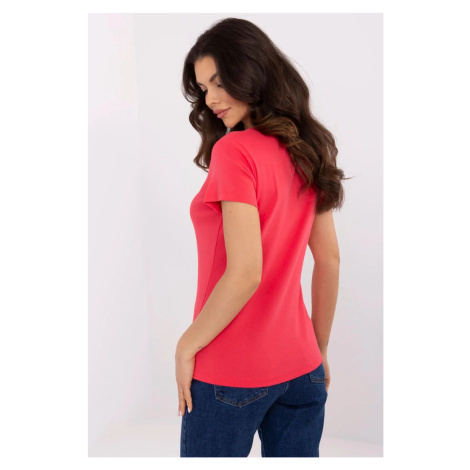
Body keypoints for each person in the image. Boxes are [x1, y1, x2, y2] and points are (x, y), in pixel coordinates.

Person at [175, 17, 348, 457]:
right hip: (303, 368)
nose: (211, 99)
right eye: (203, 88)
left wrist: (186, 344)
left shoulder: (234, 150)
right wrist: (319, 348)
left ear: (251, 72)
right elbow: (329, 260)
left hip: (229, 370)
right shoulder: (307, 148)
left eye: (219, 82)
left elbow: (246, 271)